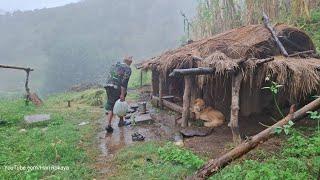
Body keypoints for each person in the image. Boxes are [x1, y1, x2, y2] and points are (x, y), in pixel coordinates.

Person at [104, 56, 133, 133]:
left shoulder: (115, 65)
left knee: (111, 104)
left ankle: (113, 123)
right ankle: (116, 123)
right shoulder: (128, 68)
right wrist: (122, 94)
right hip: (116, 87)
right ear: (129, 62)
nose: (131, 64)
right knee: (120, 102)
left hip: (108, 86)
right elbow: (124, 82)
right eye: (131, 62)